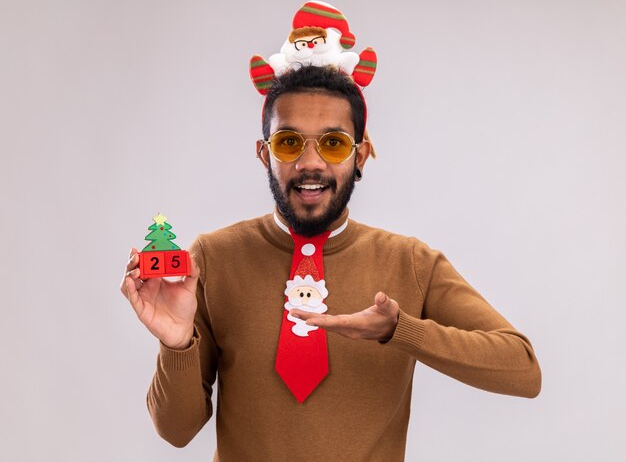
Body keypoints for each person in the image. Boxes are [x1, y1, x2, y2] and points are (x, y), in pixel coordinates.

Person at [120, 64, 541, 461]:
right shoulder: (213, 257)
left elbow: (523, 369)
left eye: (333, 143)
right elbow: (176, 431)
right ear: (264, 154)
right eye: (288, 142)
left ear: (360, 156)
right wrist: (175, 343)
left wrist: (401, 330)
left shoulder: (410, 263)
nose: (310, 163)